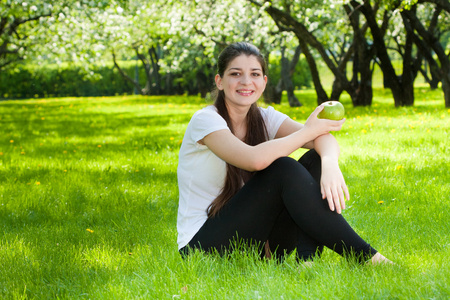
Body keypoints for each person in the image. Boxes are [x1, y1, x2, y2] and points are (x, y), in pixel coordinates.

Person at [176, 42, 392, 265]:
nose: (246, 82)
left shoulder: (264, 117)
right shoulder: (206, 120)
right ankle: (365, 256)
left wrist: (329, 164)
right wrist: (308, 131)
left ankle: (306, 261)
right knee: (283, 168)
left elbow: (323, 138)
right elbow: (254, 160)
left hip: (257, 243)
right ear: (219, 81)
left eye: (255, 74)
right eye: (235, 74)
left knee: (315, 159)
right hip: (202, 247)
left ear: (264, 82)